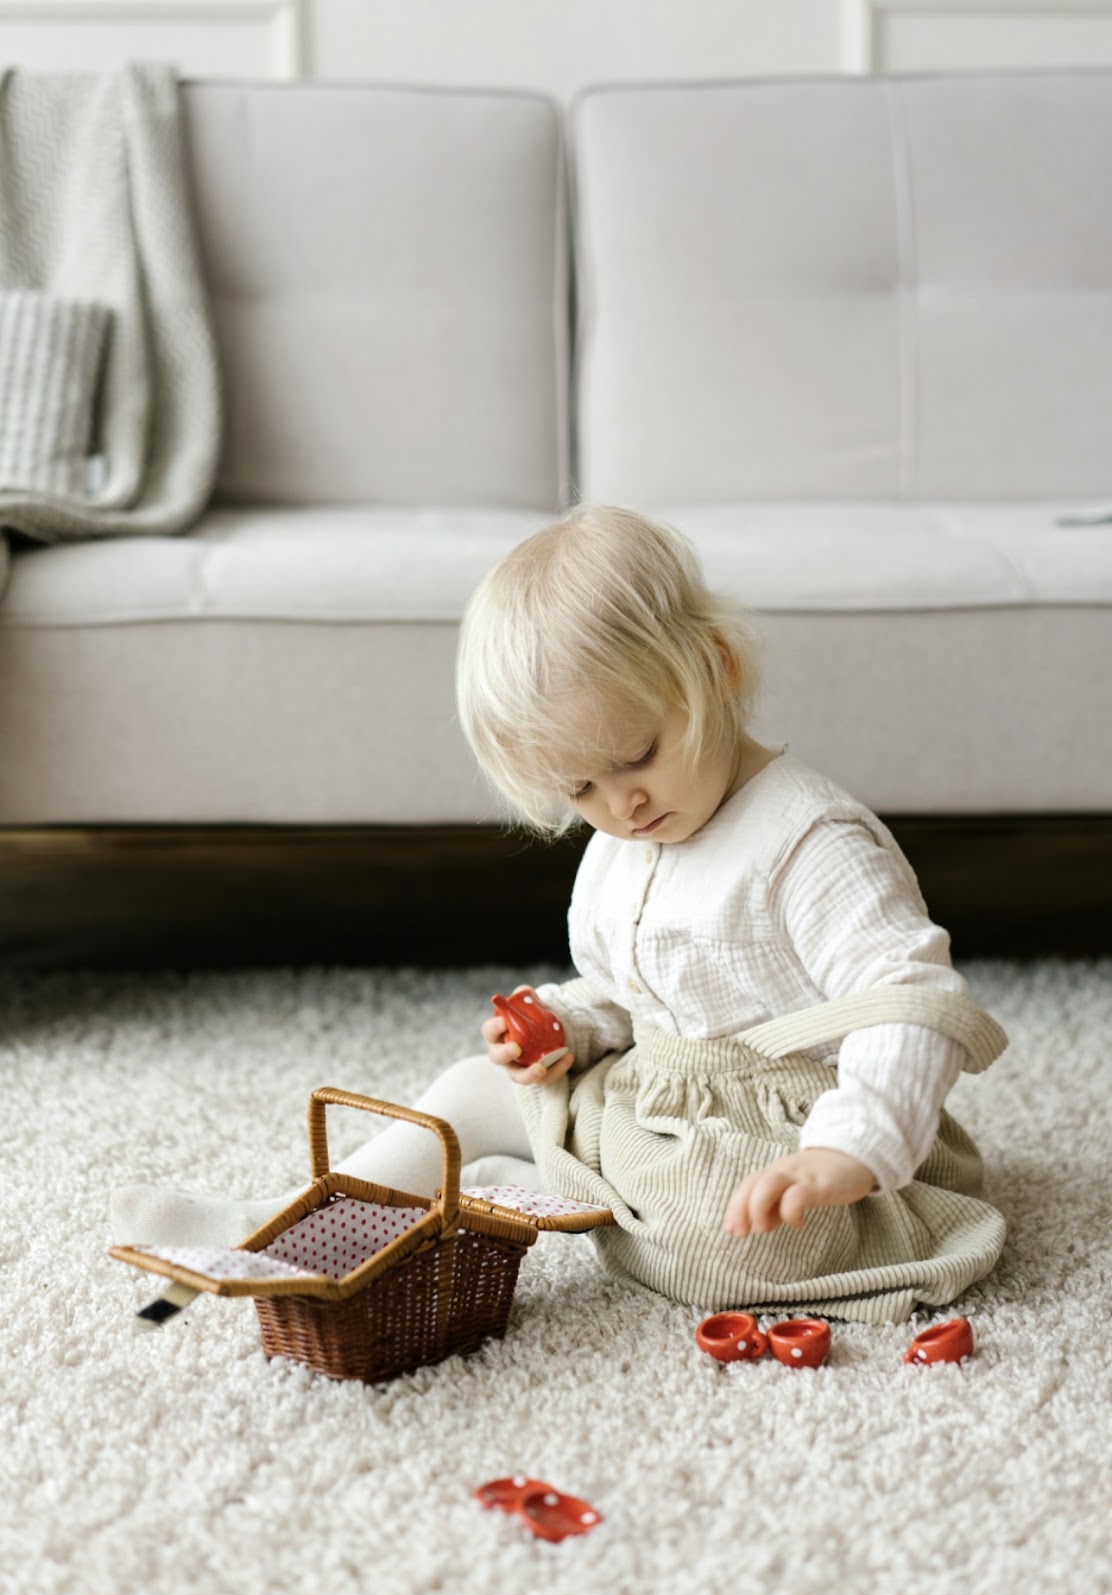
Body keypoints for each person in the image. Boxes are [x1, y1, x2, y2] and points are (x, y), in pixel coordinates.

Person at [111, 505, 1007, 1324]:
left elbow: (910, 1001)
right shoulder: (629, 836)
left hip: (777, 1143)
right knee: (474, 1088)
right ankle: (286, 1226)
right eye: (578, 787)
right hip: (662, 1103)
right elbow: (638, 995)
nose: (621, 804)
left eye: (637, 755)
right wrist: (570, 1028)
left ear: (716, 668)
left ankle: (547, 1181)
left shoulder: (808, 842)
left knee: (722, 1232)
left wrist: (850, 1150)